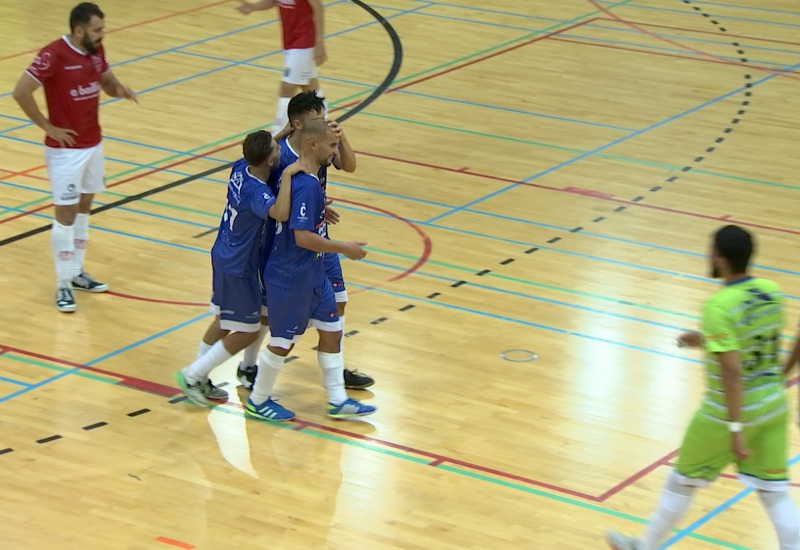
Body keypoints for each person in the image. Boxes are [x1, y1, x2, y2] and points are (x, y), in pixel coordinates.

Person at [606, 225, 799, 550]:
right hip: (773, 404)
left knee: (681, 483)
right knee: (774, 492)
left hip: (726, 414)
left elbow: (733, 370)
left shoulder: (718, 306)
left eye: (710, 251)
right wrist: (777, 372)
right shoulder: (771, 292)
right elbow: (752, 340)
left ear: (721, 259)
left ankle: (645, 547)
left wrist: (735, 427)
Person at [236, 91, 374, 391]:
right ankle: (248, 367)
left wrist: (343, 138)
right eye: (317, 121)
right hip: (287, 245)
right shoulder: (280, 157)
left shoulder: (323, 145)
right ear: (300, 126)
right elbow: (273, 201)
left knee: (339, 302)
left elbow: (349, 166)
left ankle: (336, 371)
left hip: (318, 236)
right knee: (267, 313)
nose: (324, 126)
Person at [12, 2, 137, 313]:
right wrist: (47, 126)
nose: (102, 34)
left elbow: (106, 82)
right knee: (65, 214)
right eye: (97, 29)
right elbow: (21, 91)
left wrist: (119, 89)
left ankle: (77, 272)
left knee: (84, 207)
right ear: (79, 29)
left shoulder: (96, 49)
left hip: (93, 143)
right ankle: (63, 284)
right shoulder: (53, 54)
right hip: (66, 151)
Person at [174, 130, 298, 406]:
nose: (281, 151)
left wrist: (282, 133)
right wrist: (289, 175)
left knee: (223, 320)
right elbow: (279, 212)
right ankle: (192, 375)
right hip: (238, 264)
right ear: (269, 161)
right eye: (277, 149)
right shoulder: (257, 192)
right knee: (248, 330)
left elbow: (260, 151)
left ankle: (200, 376)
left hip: (224, 253)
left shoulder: (241, 166)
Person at [236, 0, 327, 134]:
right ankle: (325, 124)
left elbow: (318, 7)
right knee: (309, 87)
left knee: (287, 87)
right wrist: (254, 6)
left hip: (304, 41)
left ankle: (278, 132)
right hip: (290, 41)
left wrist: (319, 41)